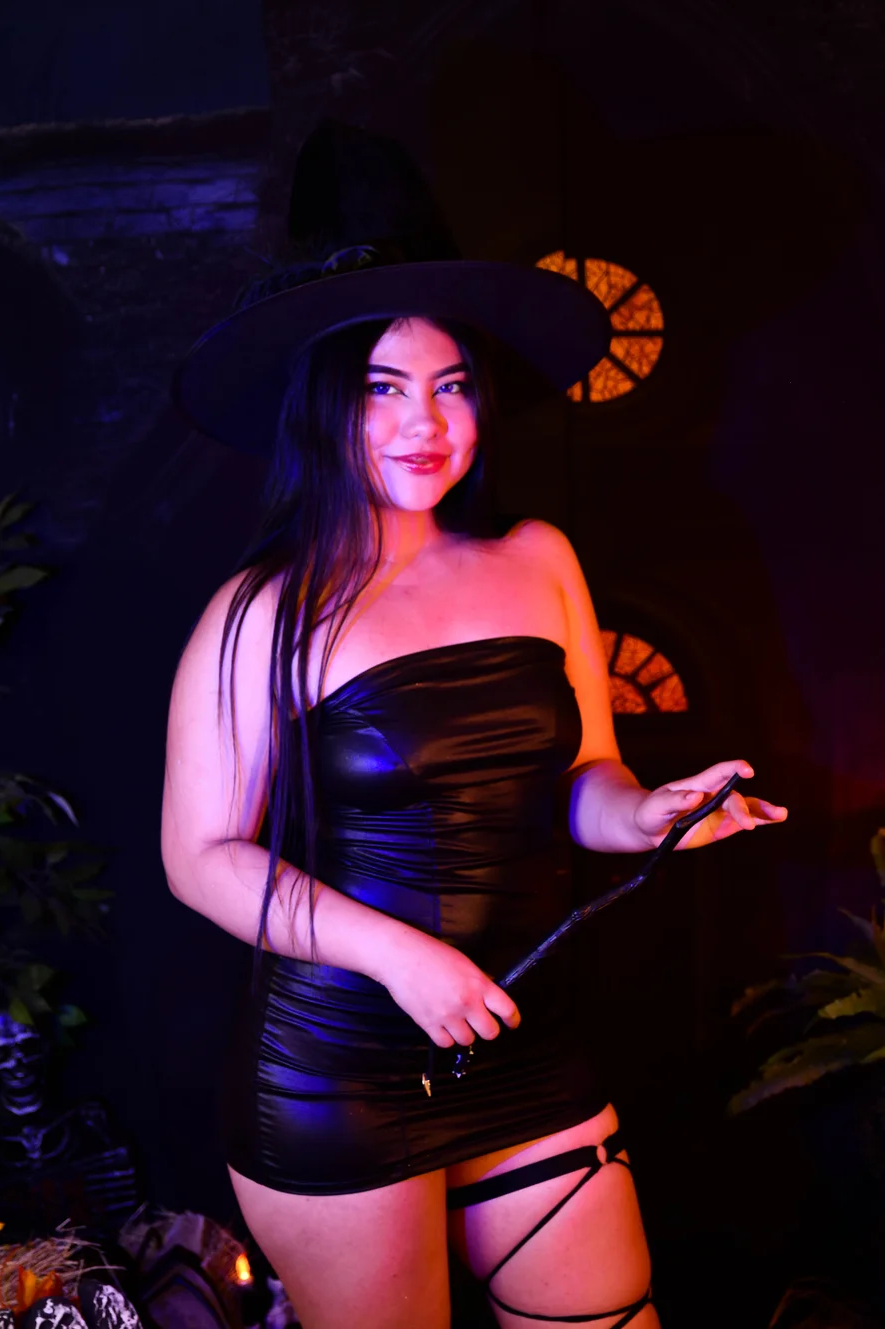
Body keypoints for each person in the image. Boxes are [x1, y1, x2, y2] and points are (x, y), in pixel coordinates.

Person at [161, 123, 788, 1329]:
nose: (426, 423)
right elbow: (201, 858)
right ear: (321, 404)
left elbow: (586, 779)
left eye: (450, 386)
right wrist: (400, 957)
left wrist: (650, 814)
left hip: (521, 1040)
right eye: (383, 388)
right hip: (340, 1068)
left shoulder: (536, 559)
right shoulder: (261, 613)